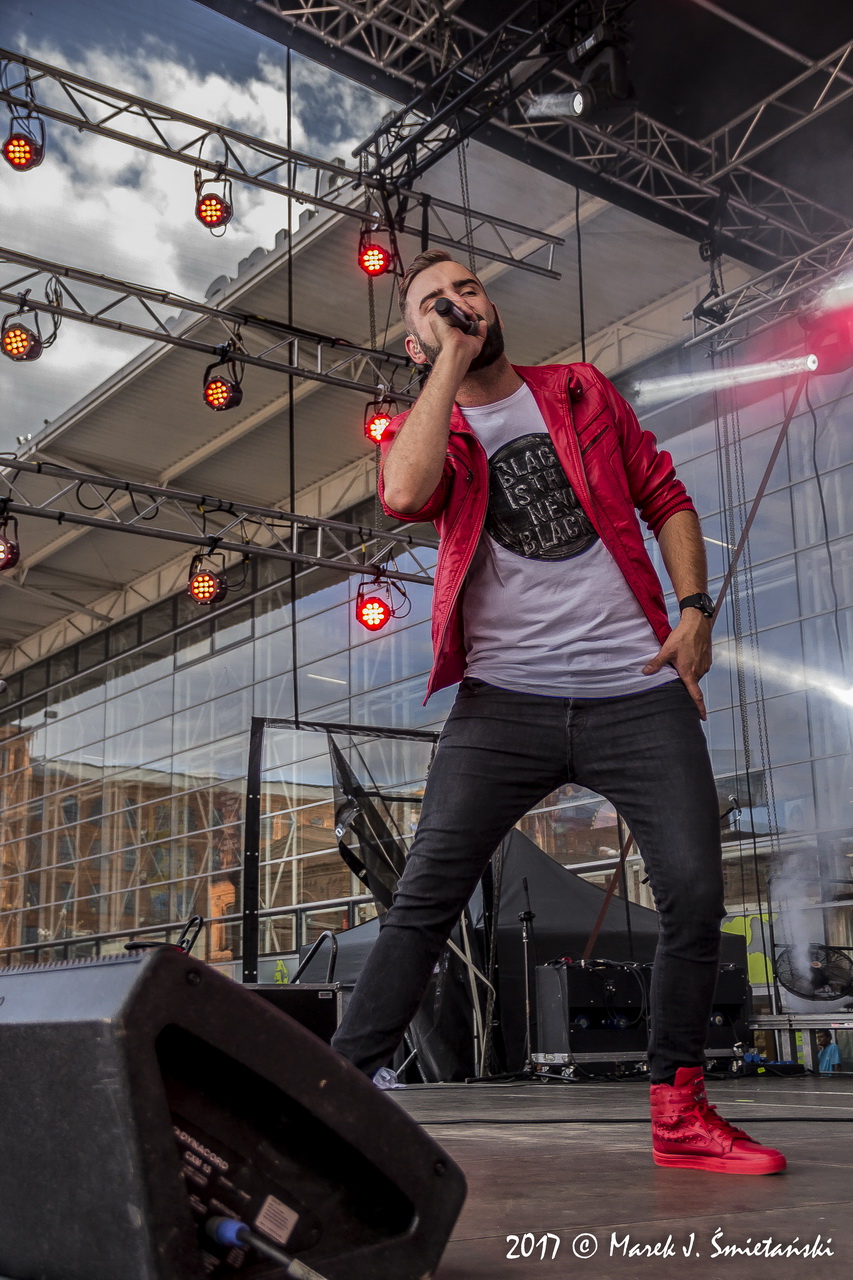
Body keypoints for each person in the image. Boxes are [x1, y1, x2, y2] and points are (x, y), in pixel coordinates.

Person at [331, 249, 786, 1176]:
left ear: (490, 302)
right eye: (431, 304)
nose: (456, 304)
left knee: (696, 895)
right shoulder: (430, 426)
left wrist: (693, 610)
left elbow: (665, 497)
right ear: (414, 344)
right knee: (423, 900)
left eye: (466, 289)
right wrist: (449, 368)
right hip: (504, 701)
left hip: (637, 691)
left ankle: (678, 1112)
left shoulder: (578, 390)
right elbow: (404, 494)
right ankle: (325, 1102)